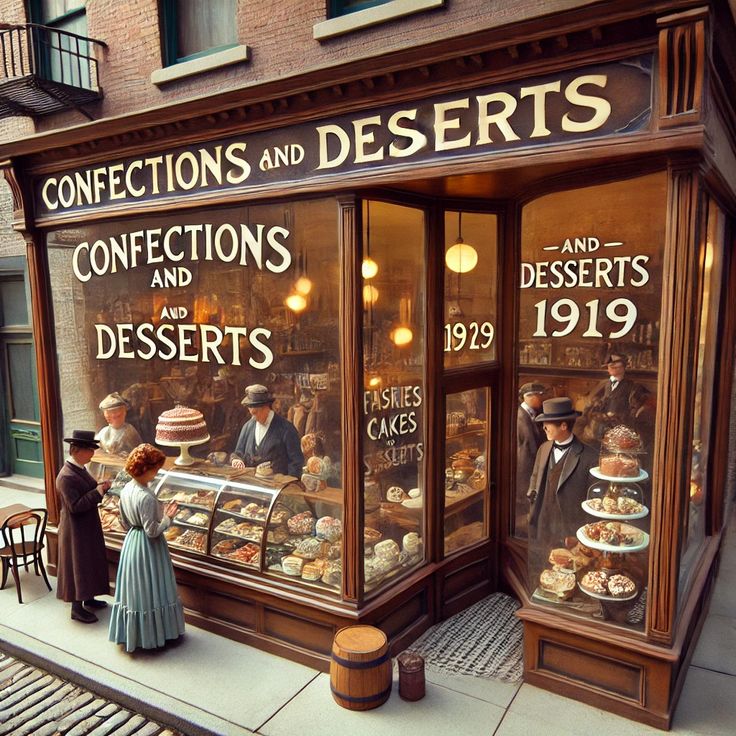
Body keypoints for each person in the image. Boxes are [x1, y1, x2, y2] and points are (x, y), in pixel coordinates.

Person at [108, 443, 185, 652]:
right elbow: (152, 531)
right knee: (154, 587)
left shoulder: (126, 489)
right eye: (155, 469)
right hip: (149, 548)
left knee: (136, 591)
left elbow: (124, 521)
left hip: (132, 542)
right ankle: (158, 635)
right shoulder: (147, 496)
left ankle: (136, 635)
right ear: (146, 469)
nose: (157, 472)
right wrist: (168, 518)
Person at [527, 397, 597, 580]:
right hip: (543, 522)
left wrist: (580, 537)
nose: (544, 428)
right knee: (542, 568)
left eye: (548, 424)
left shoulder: (589, 457)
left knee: (571, 573)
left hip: (570, 528)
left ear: (564, 426)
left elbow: (593, 503)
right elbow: (534, 479)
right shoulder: (544, 448)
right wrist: (532, 509)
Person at [56, 429, 112, 624]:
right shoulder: (66, 476)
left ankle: (89, 597)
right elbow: (75, 506)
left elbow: (86, 489)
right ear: (77, 450)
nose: (92, 453)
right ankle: (77, 608)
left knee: (89, 561)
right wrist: (97, 492)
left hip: (86, 526)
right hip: (75, 531)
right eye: (90, 449)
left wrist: (100, 486)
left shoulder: (79, 469)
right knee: (78, 565)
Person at [578, 352, 653, 447]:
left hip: (619, 431)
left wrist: (617, 418)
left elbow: (635, 413)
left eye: (616, 362)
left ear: (624, 366)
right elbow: (590, 406)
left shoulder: (633, 387)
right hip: (597, 430)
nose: (612, 364)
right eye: (610, 363)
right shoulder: (603, 384)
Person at [231, 384, 304, 477]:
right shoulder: (248, 426)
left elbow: (296, 463)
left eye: (255, 413)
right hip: (250, 485)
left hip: (277, 487)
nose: (253, 417)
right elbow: (238, 453)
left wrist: (287, 484)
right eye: (251, 414)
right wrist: (236, 460)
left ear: (266, 407)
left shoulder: (286, 429)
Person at [516, 382, 546, 536]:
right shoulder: (521, 416)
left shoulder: (531, 412)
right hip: (525, 463)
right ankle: (524, 528)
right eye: (539, 395)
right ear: (529, 397)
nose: (541, 399)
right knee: (524, 494)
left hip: (529, 461)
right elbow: (529, 445)